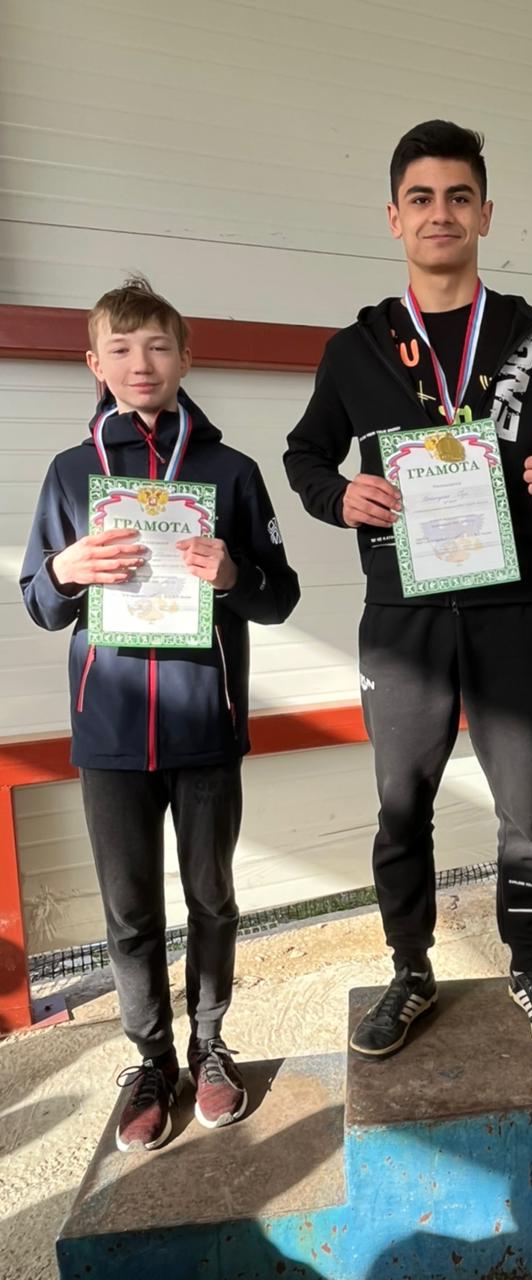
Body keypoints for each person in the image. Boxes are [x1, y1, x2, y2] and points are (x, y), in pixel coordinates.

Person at [285, 120, 532, 1060]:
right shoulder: (356, 348)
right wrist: (339, 495)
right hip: (402, 623)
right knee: (402, 808)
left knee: (526, 814)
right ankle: (410, 969)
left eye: (459, 197)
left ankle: (529, 964)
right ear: (394, 217)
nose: (441, 213)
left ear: (485, 214)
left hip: (513, 614)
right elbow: (304, 454)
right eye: (422, 198)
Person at [21, 277, 300, 1151]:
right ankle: (151, 1061)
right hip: (108, 733)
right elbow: (38, 601)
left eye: (157, 346)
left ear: (185, 358)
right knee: (129, 910)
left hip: (205, 726)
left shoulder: (231, 471)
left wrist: (235, 575)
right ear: (94, 363)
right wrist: (65, 570)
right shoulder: (70, 474)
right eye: (121, 348)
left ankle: (211, 1046)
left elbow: (281, 597)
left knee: (212, 897)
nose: (140, 363)